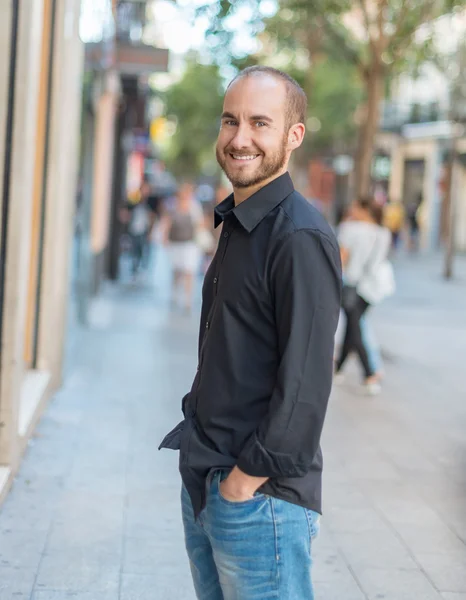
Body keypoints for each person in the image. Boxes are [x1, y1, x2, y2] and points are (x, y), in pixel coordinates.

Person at [159, 66, 342, 600]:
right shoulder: (239, 224)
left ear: (293, 136)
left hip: (260, 500)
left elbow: (306, 389)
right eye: (230, 121)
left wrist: (243, 484)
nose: (240, 138)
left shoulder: (300, 237)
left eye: (259, 123)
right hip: (209, 481)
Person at [335, 198, 392, 394]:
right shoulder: (383, 232)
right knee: (354, 325)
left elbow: (342, 256)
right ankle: (339, 367)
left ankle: (370, 372)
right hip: (374, 287)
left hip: (353, 283)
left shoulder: (349, 229)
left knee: (355, 327)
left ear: (362, 210)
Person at [161, 182, 203, 312]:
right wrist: (165, 237)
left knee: (189, 271)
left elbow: (199, 224)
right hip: (175, 243)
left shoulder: (194, 207)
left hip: (190, 244)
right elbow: (167, 222)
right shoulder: (173, 206)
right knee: (177, 270)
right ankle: (174, 293)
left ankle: (187, 300)